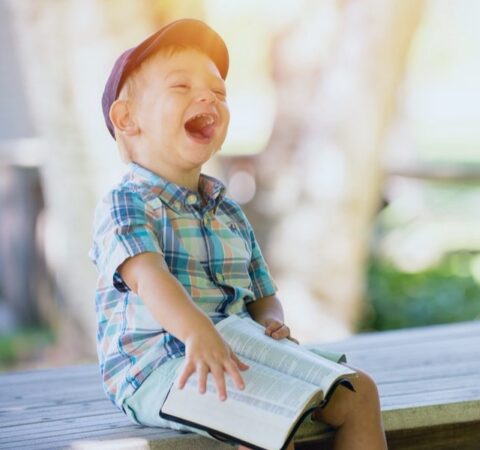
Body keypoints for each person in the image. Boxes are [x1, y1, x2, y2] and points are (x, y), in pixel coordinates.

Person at [90, 18, 386, 450]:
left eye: (219, 92)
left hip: (239, 351)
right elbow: (149, 278)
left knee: (359, 393)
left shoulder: (226, 208)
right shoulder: (126, 202)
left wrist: (272, 321)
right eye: (181, 87)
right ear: (127, 118)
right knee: (263, 416)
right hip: (158, 367)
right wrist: (196, 332)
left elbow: (263, 293)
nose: (207, 96)